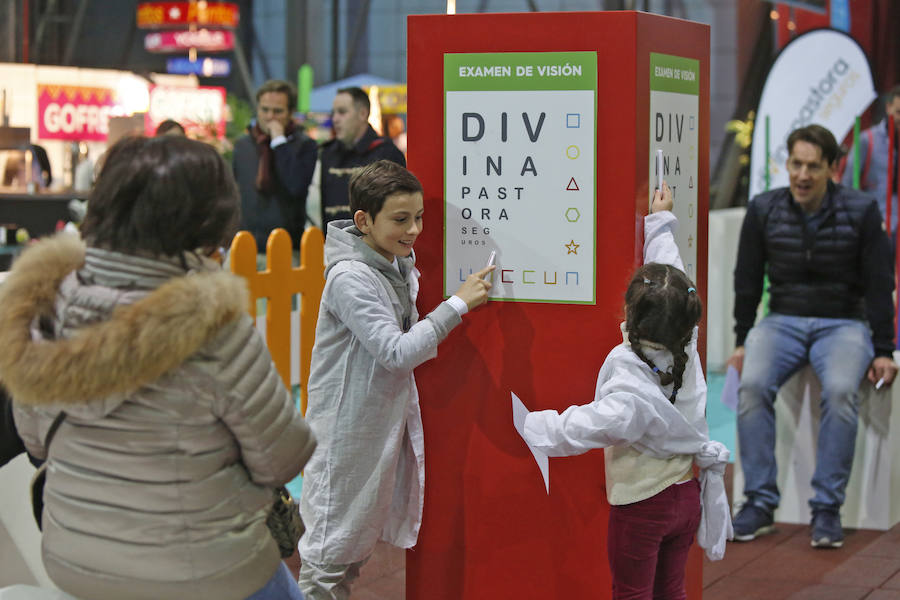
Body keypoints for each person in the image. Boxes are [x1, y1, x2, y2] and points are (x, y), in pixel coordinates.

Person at [0, 135, 316, 600]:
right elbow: (282, 457)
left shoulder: (43, 308)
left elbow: (33, 440)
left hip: (76, 560)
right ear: (208, 218)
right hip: (206, 572)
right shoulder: (215, 326)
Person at [521, 183, 731, 600]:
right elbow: (671, 273)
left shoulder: (630, 381)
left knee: (631, 592)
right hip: (686, 495)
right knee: (672, 588)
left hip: (642, 506)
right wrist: (660, 222)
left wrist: (535, 425)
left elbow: (587, 425)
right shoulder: (686, 345)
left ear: (630, 313)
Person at [298, 159, 494, 599]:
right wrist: (457, 305)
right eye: (401, 220)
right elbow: (395, 352)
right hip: (344, 436)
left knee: (349, 559)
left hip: (373, 431)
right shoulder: (351, 278)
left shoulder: (395, 264)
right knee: (327, 561)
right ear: (364, 221)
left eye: (419, 218)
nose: (414, 230)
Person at [729, 124, 898, 548]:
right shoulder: (763, 209)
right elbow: (747, 280)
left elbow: (879, 284)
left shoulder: (861, 211)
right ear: (787, 164)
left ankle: (827, 509)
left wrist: (883, 349)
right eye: (796, 164)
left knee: (841, 390)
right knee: (751, 386)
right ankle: (760, 503)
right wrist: (741, 338)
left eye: (813, 167)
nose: (802, 175)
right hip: (781, 319)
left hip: (845, 323)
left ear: (832, 169)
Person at [233, 79, 318, 254]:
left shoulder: (305, 146)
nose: (270, 116)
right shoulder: (243, 145)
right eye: (265, 109)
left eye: (278, 111)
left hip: (287, 248)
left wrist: (279, 142)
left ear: (290, 113)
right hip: (246, 247)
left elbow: (296, 187)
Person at [319, 86, 406, 230]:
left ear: (362, 113)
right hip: (331, 245)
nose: (335, 119)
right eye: (333, 113)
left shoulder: (387, 154)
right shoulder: (327, 153)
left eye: (342, 112)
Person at [840, 85, 900, 232]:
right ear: (888, 107)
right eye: (899, 112)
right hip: (874, 223)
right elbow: (847, 188)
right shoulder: (867, 140)